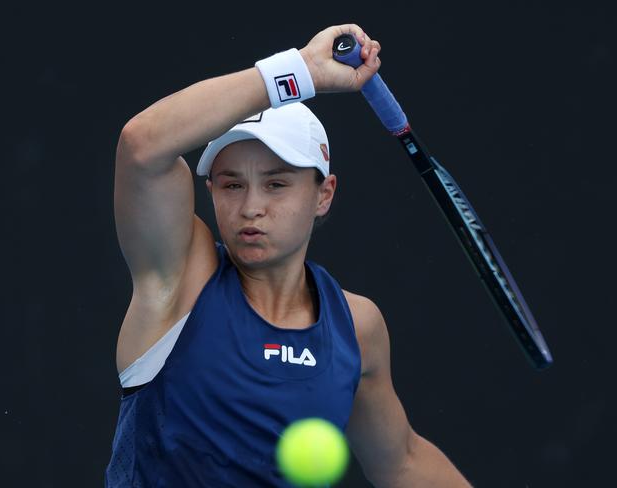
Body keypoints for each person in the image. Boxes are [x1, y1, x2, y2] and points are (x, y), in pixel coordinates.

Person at [105, 23, 472, 487]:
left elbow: (402, 460)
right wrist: (301, 70)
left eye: (276, 184)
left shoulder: (356, 328)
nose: (251, 206)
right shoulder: (180, 283)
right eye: (232, 184)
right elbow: (142, 147)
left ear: (324, 194)